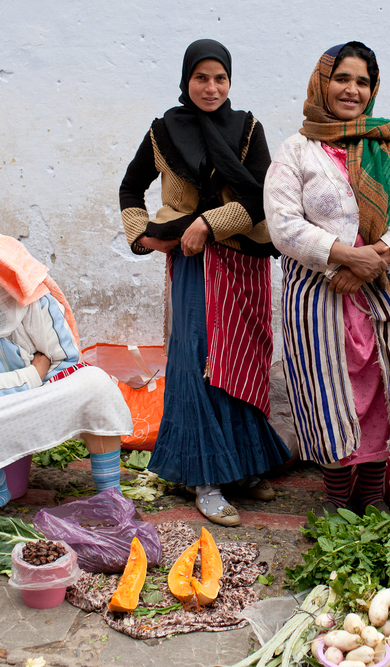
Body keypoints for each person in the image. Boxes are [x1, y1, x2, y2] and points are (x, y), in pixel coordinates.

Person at [118, 39, 289, 526]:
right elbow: (132, 187)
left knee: (242, 359)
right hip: (193, 265)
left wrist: (210, 223)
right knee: (197, 359)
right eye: (201, 77)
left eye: (220, 78)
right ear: (186, 80)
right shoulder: (163, 132)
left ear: (230, 81)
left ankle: (243, 465)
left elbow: (264, 199)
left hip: (243, 260)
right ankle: (206, 477)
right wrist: (143, 236)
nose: (211, 87)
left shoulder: (248, 129)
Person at [264, 42, 390, 514]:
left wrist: (376, 258)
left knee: (385, 390)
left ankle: (373, 496)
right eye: (342, 78)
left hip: (382, 296)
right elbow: (284, 225)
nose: (351, 90)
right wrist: (343, 257)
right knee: (325, 392)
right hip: (319, 298)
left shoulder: (389, 149)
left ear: (372, 89)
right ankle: (338, 501)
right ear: (323, 82)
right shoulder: (297, 150)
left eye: (362, 81)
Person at [0, 227, 133, 522]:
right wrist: (31, 374)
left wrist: (32, 383)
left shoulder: (33, 302)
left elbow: (64, 360)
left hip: (39, 395)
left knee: (96, 384)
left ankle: (110, 496)